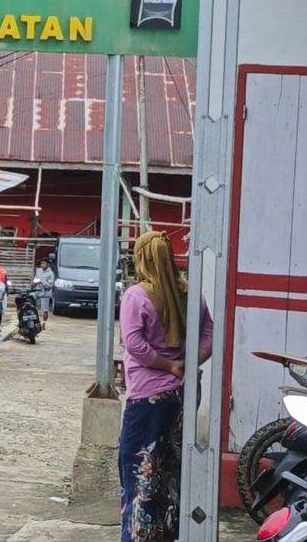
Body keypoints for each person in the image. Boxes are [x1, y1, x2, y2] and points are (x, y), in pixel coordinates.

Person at [118, 231, 213, 542]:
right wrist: (189, 362)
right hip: (184, 393)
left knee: (139, 469)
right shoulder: (192, 294)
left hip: (148, 396)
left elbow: (134, 344)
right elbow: (210, 334)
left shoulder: (137, 295)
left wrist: (169, 365)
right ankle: (168, 534)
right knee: (172, 468)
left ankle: (137, 536)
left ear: (142, 259)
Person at [34, 259, 56, 324]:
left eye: (44, 263)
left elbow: (50, 285)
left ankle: (44, 323)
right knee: (30, 300)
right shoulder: (38, 270)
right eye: (41, 264)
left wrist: (42, 282)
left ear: (48, 265)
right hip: (37, 290)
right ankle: (34, 321)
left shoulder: (51, 273)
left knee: (45, 310)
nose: (42, 265)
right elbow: (35, 279)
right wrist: (34, 283)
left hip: (45, 293)